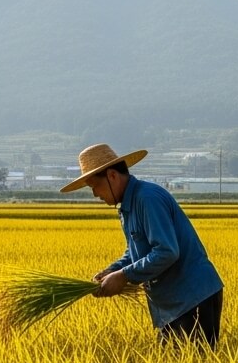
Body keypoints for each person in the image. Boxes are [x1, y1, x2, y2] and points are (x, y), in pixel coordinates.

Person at [60, 144, 224, 349]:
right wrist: (113, 270)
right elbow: (135, 252)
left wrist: (123, 276)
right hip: (171, 303)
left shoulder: (147, 199)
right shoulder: (127, 206)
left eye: (95, 186)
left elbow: (167, 251)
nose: (95, 194)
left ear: (112, 176)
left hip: (192, 298)